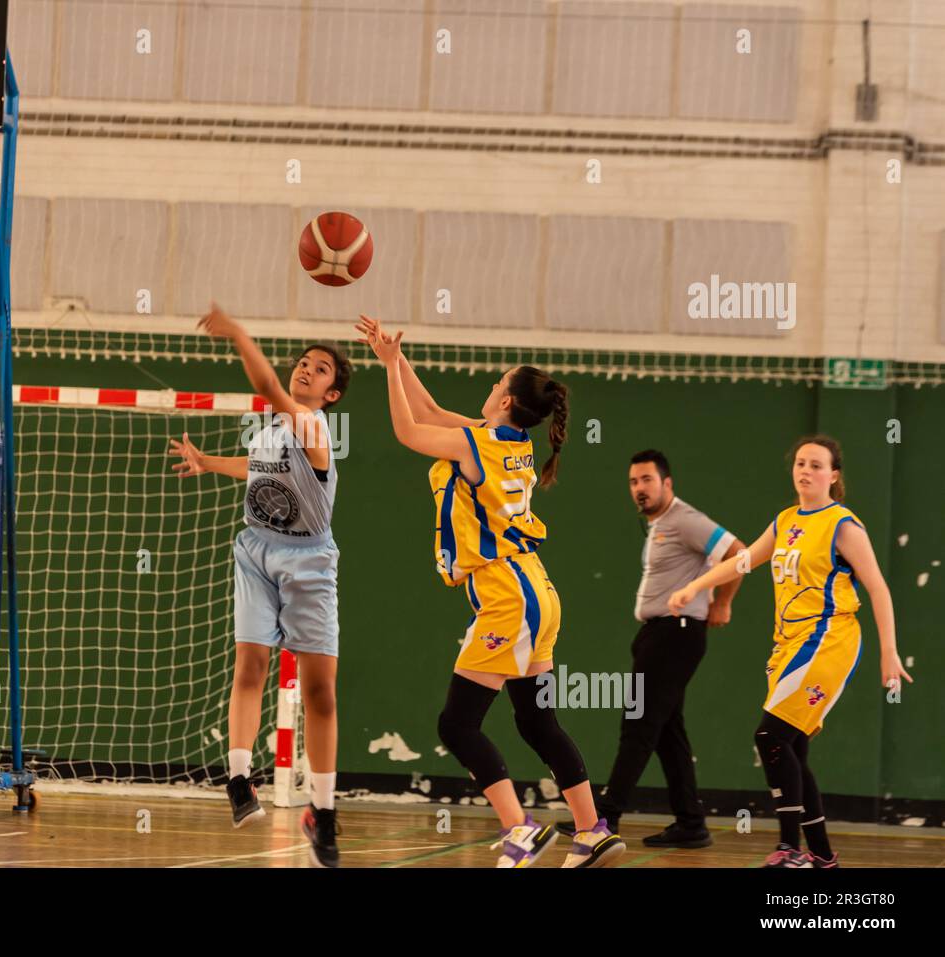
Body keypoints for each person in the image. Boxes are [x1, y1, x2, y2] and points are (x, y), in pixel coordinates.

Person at [357, 316, 624, 868]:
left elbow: (409, 432)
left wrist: (386, 370)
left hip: (509, 595)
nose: (490, 387)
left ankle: (520, 829)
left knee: (456, 724)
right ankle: (590, 828)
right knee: (536, 721)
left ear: (504, 402)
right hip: (537, 590)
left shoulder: (476, 445)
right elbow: (427, 415)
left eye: (496, 383)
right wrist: (395, 357)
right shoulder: (510, 442)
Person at [670, 435, 912, 867]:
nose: (806, 471)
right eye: (801, 463)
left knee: (770, 736)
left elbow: (878, 588)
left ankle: (789, 849)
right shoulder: (785, 521)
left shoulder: (843, 525)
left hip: (830, 639)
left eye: (816, 465)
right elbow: (744, 560)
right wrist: (695, 586)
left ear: (833, 476)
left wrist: (888, 651)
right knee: (792, 748)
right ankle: (821, 855)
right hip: (789, 643)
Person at [170, 303, 352, 868]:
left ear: (333, 394)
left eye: (320, 369)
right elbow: (258, 469)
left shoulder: (314, 426)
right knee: (250, 665)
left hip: (308, 562)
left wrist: (240, 335)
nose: (306, 370)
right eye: (304, 362)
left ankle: (321, 811)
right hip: (255, 549)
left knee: (321, 691)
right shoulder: (274, 432)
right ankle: (239, 778)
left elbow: (269, 385)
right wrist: (207, 462)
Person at [573, 450, 744, 846]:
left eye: (647, 480)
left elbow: (739, 553)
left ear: (667, 483)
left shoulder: (684, 519)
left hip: (676, 634)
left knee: (639, 725)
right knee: (668, 733)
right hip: (660, 635)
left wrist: (722, 602)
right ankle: (691, 824)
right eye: (633, 482)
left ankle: (603, 820)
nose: (639, 489)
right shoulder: (661, 525)